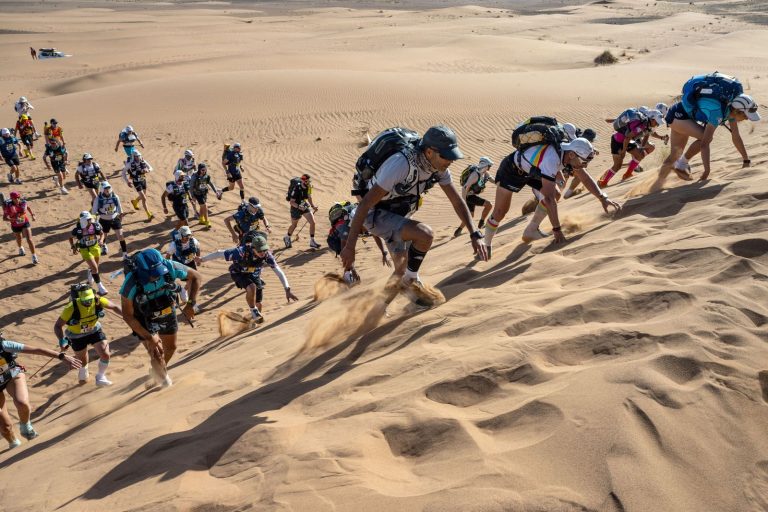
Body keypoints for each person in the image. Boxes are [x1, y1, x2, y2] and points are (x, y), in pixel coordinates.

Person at [341, 125, 488, 304]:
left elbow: (457, 201)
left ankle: (377, 308)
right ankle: (411, 280)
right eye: (445, 156)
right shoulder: (401, 164)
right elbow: (364, 205)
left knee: (401, 269)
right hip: (374, 214)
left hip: (397, 213)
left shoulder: (439, 169)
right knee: (425, 234)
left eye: (452, 156)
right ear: (428, 152)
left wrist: (474, 233)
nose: (450, 161)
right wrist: (350, 247)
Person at [483, 138, 621, 253]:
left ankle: (531, 230)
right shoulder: (552, 159)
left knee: (555, 193)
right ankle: (485, 244)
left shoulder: (569, 155)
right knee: (500, 212)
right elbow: (548, 199)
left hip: (533, 169)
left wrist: (603, 198)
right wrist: (557, 229)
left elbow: (585, 178)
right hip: (512, 169)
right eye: (584, 161)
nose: (584, 165)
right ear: (572, 155)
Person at [119, 249, 200, 388]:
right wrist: (149, 337)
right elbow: (127, 315)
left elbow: (196, 276)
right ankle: (164, 382)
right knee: (157, 352)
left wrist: (191, 304)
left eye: (158, 271)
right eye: (152, 274)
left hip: (166, 308)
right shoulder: (131, 282)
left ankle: (157, 370)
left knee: (171, 347)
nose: (157, 276)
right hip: (144, 316)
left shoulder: (169, 266)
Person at [657, 79, 759, 184]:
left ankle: (656, 186)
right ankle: (681, 165)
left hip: (681, 113)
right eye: (746, 115)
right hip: (678, 116)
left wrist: (746, 160)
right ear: (738, 111)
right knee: (705, 138)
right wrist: (707, 171)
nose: (747, 119)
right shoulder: (718, 112)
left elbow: (736, 136)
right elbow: (704, 145)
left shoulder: (731, 110)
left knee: (674, 155)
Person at [0, 332, 81, 449]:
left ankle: (25, 425)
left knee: (21, 402)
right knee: (5, 427)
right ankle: (14, 444)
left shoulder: (4, 345)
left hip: (12, 375)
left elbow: (37, 349)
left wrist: (62, 356)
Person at [202, 231, 297, 324]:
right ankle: (253, 310)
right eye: (259, 250)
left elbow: (279, 272)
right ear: (253, 248)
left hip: (255, 274)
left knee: (258, 303)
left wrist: (287, 289)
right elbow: (219, 253)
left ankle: (253, 320)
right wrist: (202, 259)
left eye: (264, 249)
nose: (262, 253)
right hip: (238, 273)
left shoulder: (267, 255)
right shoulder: (241, 251)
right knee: (251, 287)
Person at [53, 284, 122, 387]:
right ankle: (83, 374)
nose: (88, 302)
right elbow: (58, 326)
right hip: (76, 336)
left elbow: (115, 307)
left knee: (105, 354)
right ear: (79, 298)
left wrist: (127, 316)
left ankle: (100, 377)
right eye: (85, 300)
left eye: (90, 299)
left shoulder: (98, 300)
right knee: (83, 361)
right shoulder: (71, 307)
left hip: (94, 330)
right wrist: (62, 340)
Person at [597, 108, 665, 188]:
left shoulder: (648, 126)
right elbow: (627, 137)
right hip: (617, 141)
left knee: (639, 155)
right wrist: (623, 151)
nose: (658, 124)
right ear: (652, 119)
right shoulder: (642, 125)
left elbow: (643, 140)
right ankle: (603, 182)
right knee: (617, 165)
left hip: (628, 141)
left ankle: (627, 174)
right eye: (657, 122)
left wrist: (642, 148)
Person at [327, 201, 391, 284]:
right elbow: (345, 251)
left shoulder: (367, 221)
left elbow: (376, 235)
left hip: (345, 239)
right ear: (360, 224)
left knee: (350, 258)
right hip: (335, 240)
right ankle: (346, 279)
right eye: (366, 228)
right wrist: (352, 270)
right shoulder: (347, 227)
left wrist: (383, 253)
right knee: (349, 258)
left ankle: (349, 276)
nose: (368, 229)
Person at [70, 211, 108, 295]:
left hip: (95, 247)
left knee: (95, 268)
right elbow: (70, 237)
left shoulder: (95, 226)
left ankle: (90, 274)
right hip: (85, 250)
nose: (90, 220)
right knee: (95, 268)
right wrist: (73, 247)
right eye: (88, 219)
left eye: (90, 219)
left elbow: (102, 234)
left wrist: (101, 240)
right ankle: (100, 287)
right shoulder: (78, 230)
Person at [454, 156, 494, 237]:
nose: (490, 168)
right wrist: (463, 201)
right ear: (485, 165)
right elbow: (465, 187)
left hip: (471, 195)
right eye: (489, 166)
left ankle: (458, 230)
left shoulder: (484, 173)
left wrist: (503, 184)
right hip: (469, 197)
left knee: (471, 215)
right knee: (489, 205)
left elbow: (494, 180)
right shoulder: (475, 175)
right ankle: (481, 223)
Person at [164, 226, 201, 309]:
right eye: (185, 236)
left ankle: (183, 291)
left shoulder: (193, 241)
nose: (187, 238)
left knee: (191, 281)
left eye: (188, 236)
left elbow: (198, 248)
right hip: (180, 265)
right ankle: (193, 305)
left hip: (191, 263)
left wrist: (198, 258)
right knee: (191, 282)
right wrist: (168, 268)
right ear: (180, 236)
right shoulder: (174, 245)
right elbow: (168, 256)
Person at [92, 181, 128, 257]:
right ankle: (104, 246)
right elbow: (94, 212)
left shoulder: (115, 197)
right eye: (105, 188)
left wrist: (120, 216)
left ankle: (125, 254)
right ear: (102, 189)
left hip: (114, 218)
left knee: (121, 236)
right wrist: (95, 222)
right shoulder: (98, 199)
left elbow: (119, 208)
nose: (107, 190)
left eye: (108, 188)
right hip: (103, 220)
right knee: (104, 235)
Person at [284, 174, 320, 249]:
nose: (309, 182)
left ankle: (312, 241)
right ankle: (287, 237)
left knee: (312, 222)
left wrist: (313, 206)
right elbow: (291, 202)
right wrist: (299, 207)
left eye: (309, 181)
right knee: (294, 225)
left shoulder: (309, 187)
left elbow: (309, 197)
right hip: (295, 208)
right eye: (307, 181)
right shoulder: (297, 188)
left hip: (303, 205)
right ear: (303, 181)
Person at [2, 191, 39, 264]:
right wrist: (12, 219)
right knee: (19, 238)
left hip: (25, 223)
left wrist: (32, 215)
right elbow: (4, 218)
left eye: (18, 197)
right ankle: (20, 248)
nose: (17, 199)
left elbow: (27, 208)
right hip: (15, 225)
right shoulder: (8, 206)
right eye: (15, 198)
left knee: (29, 239)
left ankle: (34, 256)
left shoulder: (23, 202)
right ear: (12, 198)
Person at [122, 151, 154, 221]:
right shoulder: (130, 164)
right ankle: (149, 214)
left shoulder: (143, 161)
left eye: (139, 156)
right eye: (136, 156)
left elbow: (151, 168)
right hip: (136, 182)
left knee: (143, 195)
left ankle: (135, 201)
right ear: (133, 157)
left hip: (143, 180)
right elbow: (123, 172)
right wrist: (127, 181)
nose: (138, 157)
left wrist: (148, 170)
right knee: (144, 198)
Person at [188, 162, 222, 229]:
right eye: (203, 170)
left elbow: (211, 184)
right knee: (205, 206)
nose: (204, 171)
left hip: (204, 193)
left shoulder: (206, 176)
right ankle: (207, 222)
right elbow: (191, 187)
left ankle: (201, 219)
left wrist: (216, 192)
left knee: (202, 206)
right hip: (197, 194)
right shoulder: (194, 176)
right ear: (199, 170)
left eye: (205, 169)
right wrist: (192, 196)